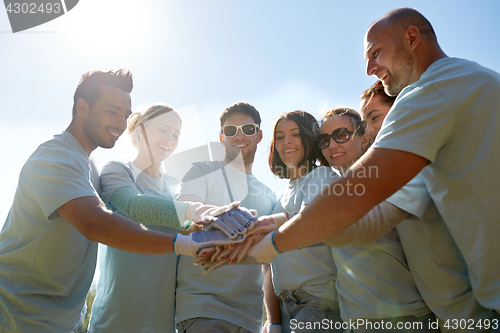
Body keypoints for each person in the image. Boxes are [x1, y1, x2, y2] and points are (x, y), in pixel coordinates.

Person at [237, 7, 500, 316]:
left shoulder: (429, 92)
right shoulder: (475, 79)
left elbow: (358, 204)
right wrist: (285, 221)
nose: (369, 68)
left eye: (375, 53)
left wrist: (274, 242)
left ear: (412, 38)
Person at [0, 70, 227, 332]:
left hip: (60, 320)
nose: (120, 122)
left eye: (124, 114)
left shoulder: (89, 164)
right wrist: (186, 239)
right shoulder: (58, 157)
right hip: (18, 311)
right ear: (82, 107)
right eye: (111, 111)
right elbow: (96, 222)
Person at [358, 83, 498, 331]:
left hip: (473, 315)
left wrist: (285, 229)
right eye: (364, 122)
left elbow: (370, 221)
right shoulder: (392, 170)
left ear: (401, 110)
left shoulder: (415, 168)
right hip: (445, 315)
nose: (367, 131)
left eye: (374, 117)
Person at [319, 107, 435, 332]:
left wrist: (278, 231)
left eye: (341, 135)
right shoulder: (332, 191)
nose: (332, 145)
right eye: (324, 140)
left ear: (364, 139)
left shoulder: (386, 178)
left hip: (402, 319)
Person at [175, 102, 277, 333]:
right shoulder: (201, 170)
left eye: (248, 129)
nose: (239, 135)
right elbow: (183, 213)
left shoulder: (270, 196)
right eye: (231, 130)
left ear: (259, 135)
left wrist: (275, 321)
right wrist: (217, 218)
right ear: (222, 137)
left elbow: (270, 266)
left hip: (250, 319)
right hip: (202, 310)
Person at [89, 103, 189, 332]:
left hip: (163, 323)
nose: (170, 139)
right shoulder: (117, 170)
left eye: (176, 135)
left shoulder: (176, 188)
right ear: (141, 130)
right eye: (163, 130)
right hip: (115, 319)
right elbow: (136, 206)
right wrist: (192, 213)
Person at [264, 111, 341, 333]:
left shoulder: (323, 175)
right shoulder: (281, 198)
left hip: (318, 303)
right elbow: (269, 265)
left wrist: (270, 224)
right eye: (279, 136)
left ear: (309, 138)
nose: (286, 141)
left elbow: (308, 219)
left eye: (295, 134)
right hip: (286, 307)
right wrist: (274, 321)